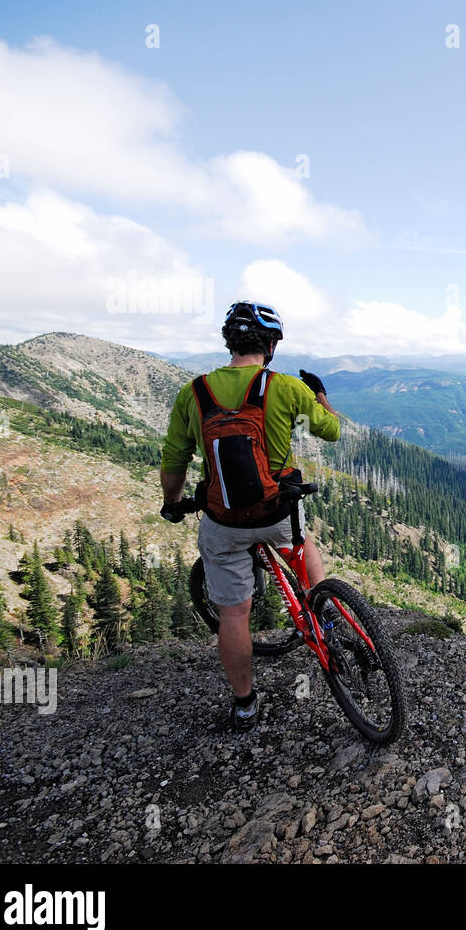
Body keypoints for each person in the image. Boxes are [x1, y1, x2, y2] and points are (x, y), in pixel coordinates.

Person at [159, 302, 340, 731]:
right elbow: (331, 431)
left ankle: (244, 704)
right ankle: (323, 614)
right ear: (271, 345)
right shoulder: (285, 388)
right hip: (276, 510)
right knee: (301, 543)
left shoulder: (195, 392)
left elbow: (174, 458)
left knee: (235, 615)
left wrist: (172, 502)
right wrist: (320, 396)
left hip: (224, 520)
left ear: (229, 342)